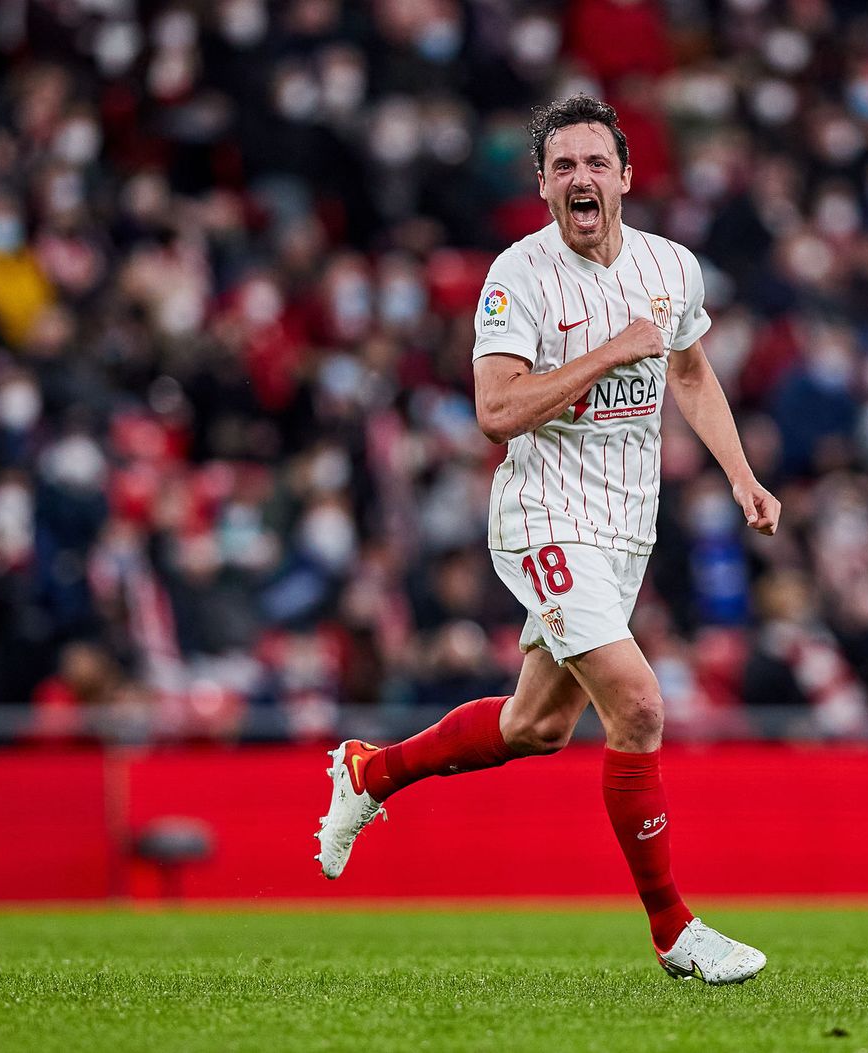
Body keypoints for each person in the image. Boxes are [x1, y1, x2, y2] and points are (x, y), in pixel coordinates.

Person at [314, 95, 781, 986]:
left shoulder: (671, 267)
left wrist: (740, 473)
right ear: (541, 186)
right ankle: (674, 930)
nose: (581, 179)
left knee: (534, 727)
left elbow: (688, 370)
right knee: (638, 705)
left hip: (625, 527)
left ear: (626, 177)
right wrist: (610, 350)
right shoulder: (517, 277)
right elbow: (495, 412)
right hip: (542, 517)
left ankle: (369, 774)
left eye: (595, 163)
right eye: (563, 166)